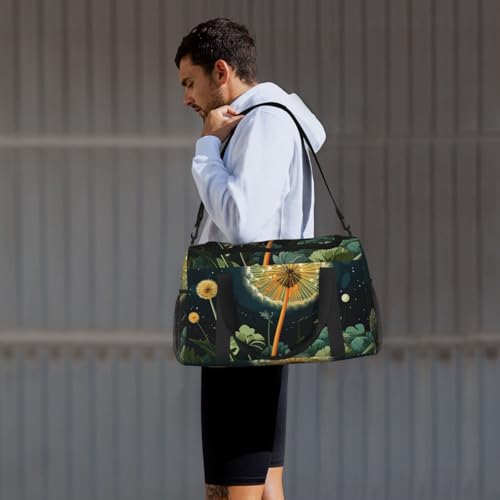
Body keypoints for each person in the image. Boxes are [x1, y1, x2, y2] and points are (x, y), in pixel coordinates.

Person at [174, 17, 326, 500]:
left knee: (233, 486)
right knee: (263, 483)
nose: (186, 98)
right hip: (257, 315)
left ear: (221, 71)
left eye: (189, 82)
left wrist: (206, 149)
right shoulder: (265, 122)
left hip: (243, 315)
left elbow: (245, 226)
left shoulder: (263, 123)